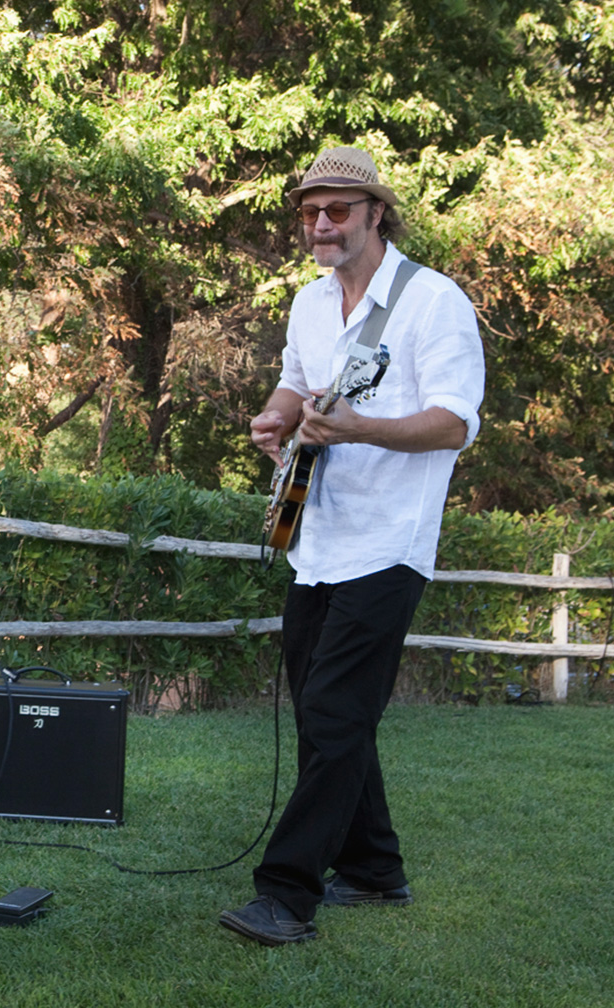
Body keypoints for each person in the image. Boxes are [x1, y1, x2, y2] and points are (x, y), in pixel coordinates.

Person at [221, 146, 485, 946]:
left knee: (336, 710)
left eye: (337, 210)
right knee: (323, 709)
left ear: (376, 213)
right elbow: (297, 383)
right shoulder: (309, 303)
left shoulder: (433, 303)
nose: (320, 225)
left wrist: (360, 428)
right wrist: (276, 416)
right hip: (317, 536)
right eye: (309, 212)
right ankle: (374, 871)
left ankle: (286, 893)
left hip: (391, 541)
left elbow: (455, 421)